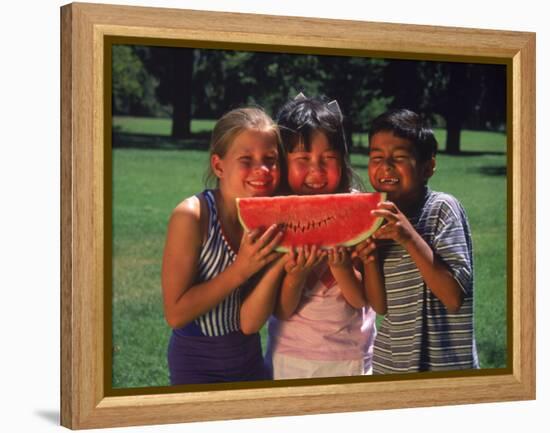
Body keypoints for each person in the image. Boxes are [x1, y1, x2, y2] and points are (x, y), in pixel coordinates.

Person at [161, 107, 287, 385]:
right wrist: (240, 270)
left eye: (270, 159)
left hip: (251, 359)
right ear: (219, 166)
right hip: (197, 367)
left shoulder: (270, 219)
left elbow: (251, 320)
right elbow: (175, 313)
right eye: (246, 159)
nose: (262, 170)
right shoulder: (192, 216)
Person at [353, 108, 479, 374]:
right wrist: (371, 260)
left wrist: (408, 236)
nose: (385, 167)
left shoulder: (443, 209)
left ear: (428, 167)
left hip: (446, 367)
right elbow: (380, 306)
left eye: (399, 158)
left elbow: (453, 297)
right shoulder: (377, 218)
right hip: (391, 366)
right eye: (376, 157)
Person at [266, 94, 377, 379]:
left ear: (342, 160)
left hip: (350, 357)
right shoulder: (274, 213)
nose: (316, 170)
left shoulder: (358, 208)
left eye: (328, 158)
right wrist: (296, 275)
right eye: (303, 159)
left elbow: (359, 299)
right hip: (289, 356)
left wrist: (341, 268)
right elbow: (281, 309)